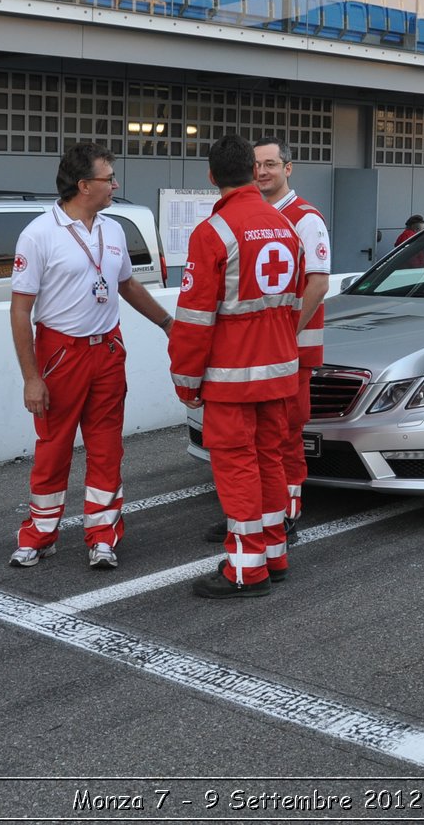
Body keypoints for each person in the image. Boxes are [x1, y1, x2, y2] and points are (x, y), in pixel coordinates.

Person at [8, 142, 175, 570]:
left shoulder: (113, 228)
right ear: (84, 185)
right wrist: (31, 377)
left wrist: (167, 323)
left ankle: (103, 535)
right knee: (53, 447)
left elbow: (128, 286)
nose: (115, 185)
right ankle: (40, 535)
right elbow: (21, 309)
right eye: (108, 178)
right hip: (60, 353)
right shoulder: (39, 233)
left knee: (106, 448)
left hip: (107, 350)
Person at [171, 134, 303, 596]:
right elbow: (293, 305)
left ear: (211, 178)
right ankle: (273, 554)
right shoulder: (285, 226)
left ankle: (246, 570)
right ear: (252, 171)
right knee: (269, 462)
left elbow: (192, 321)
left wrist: (185, 382)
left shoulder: (214, 233)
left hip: (231, 380)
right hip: (280, 371)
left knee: (237, 469)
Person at [202, 137, 330, 546]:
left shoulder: (305, 218)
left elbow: (319, 283)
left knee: (284, 438)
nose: (263, 172)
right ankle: (255, 516)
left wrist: (287, 334)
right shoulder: (252, 214)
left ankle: (285, 516)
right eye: (257, 164)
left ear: (288, 169)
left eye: (271, 164)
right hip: (259, 356)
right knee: (255, 443)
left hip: (291, 351)